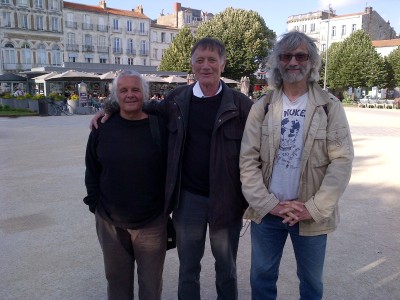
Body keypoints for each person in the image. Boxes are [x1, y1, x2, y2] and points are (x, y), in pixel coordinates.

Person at [91, 37, 254, 300]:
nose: (206, 66)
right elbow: (140, 103)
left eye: (212, 60)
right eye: (199, 60)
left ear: (223, 64)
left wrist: (250, 197)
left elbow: (258, 151)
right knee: (188, 267)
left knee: (227, 267)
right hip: (188, 199)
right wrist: (108, 108)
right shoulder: (178, 99)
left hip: (227, 199)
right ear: (192, 65)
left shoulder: (241, 105)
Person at [239, 31, 354, 300]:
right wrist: (270, 204)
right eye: (286, 56)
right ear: (277, 62)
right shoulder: (263, 106)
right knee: (262, 279)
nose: (293, 62)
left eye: (300, 55)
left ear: (312, 62)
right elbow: (247, 160)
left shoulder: (330, 107)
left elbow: (341, 161)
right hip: (268, 213)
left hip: (311, 214)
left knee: (312, 284)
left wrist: (312, 208)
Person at [84, 70, 168, 300]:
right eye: (123, 90)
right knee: (117, 284)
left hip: (151, 222)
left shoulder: (160, 127)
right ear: (115, 96)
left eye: (135, 89)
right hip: (110, 222)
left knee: (151, 286)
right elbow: (92, 170)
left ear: (145, 94)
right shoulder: (102, 128)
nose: (130, 95)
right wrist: (95, 206)